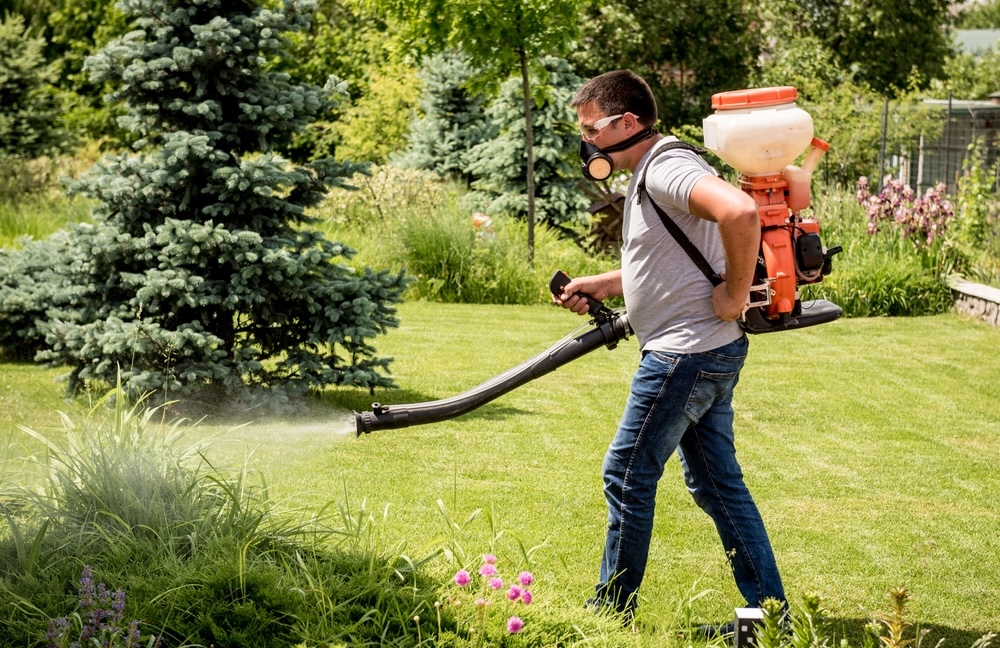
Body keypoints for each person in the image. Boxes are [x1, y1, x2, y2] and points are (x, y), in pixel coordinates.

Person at [555, 69, 785, 625]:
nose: (587, 143)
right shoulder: (652, 170)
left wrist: (733, 293)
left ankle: (610, 611)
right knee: (715, 482)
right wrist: (605, 284)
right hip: (706, 350)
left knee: (627, 473)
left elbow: (740, 212)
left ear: (626, 123)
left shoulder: (666, 167)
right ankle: (767, 618)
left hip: (685, 353)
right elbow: (667, 258)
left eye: (592, 130)